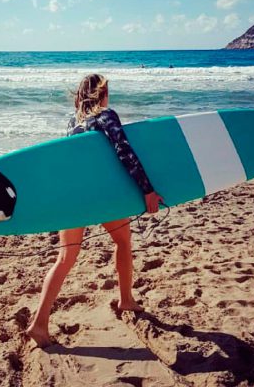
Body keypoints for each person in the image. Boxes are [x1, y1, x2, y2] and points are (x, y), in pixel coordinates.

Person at [26, 74, 164, 348]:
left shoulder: (72, 122)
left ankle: (39, 324)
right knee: (123, 242)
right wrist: (147, 190)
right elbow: (124, 151)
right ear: (102, 93)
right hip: (101, 197)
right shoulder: (106, 115)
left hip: (74, 198)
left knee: (64, 258)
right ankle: (126, 299)